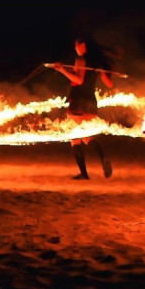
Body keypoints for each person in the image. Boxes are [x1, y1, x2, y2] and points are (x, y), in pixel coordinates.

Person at [50, 33, 119, 179]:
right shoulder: (97, 62)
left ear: (83, 46)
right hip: (91, 103)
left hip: (78, 101)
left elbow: (79, 80)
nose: (75, 49)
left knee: (75, 139)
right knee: (87, 137)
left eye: (76, 46)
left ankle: (84, 173)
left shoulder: (81, 60)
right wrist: (102, 72)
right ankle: (103, 157)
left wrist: (62, 70)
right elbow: (109, 84)